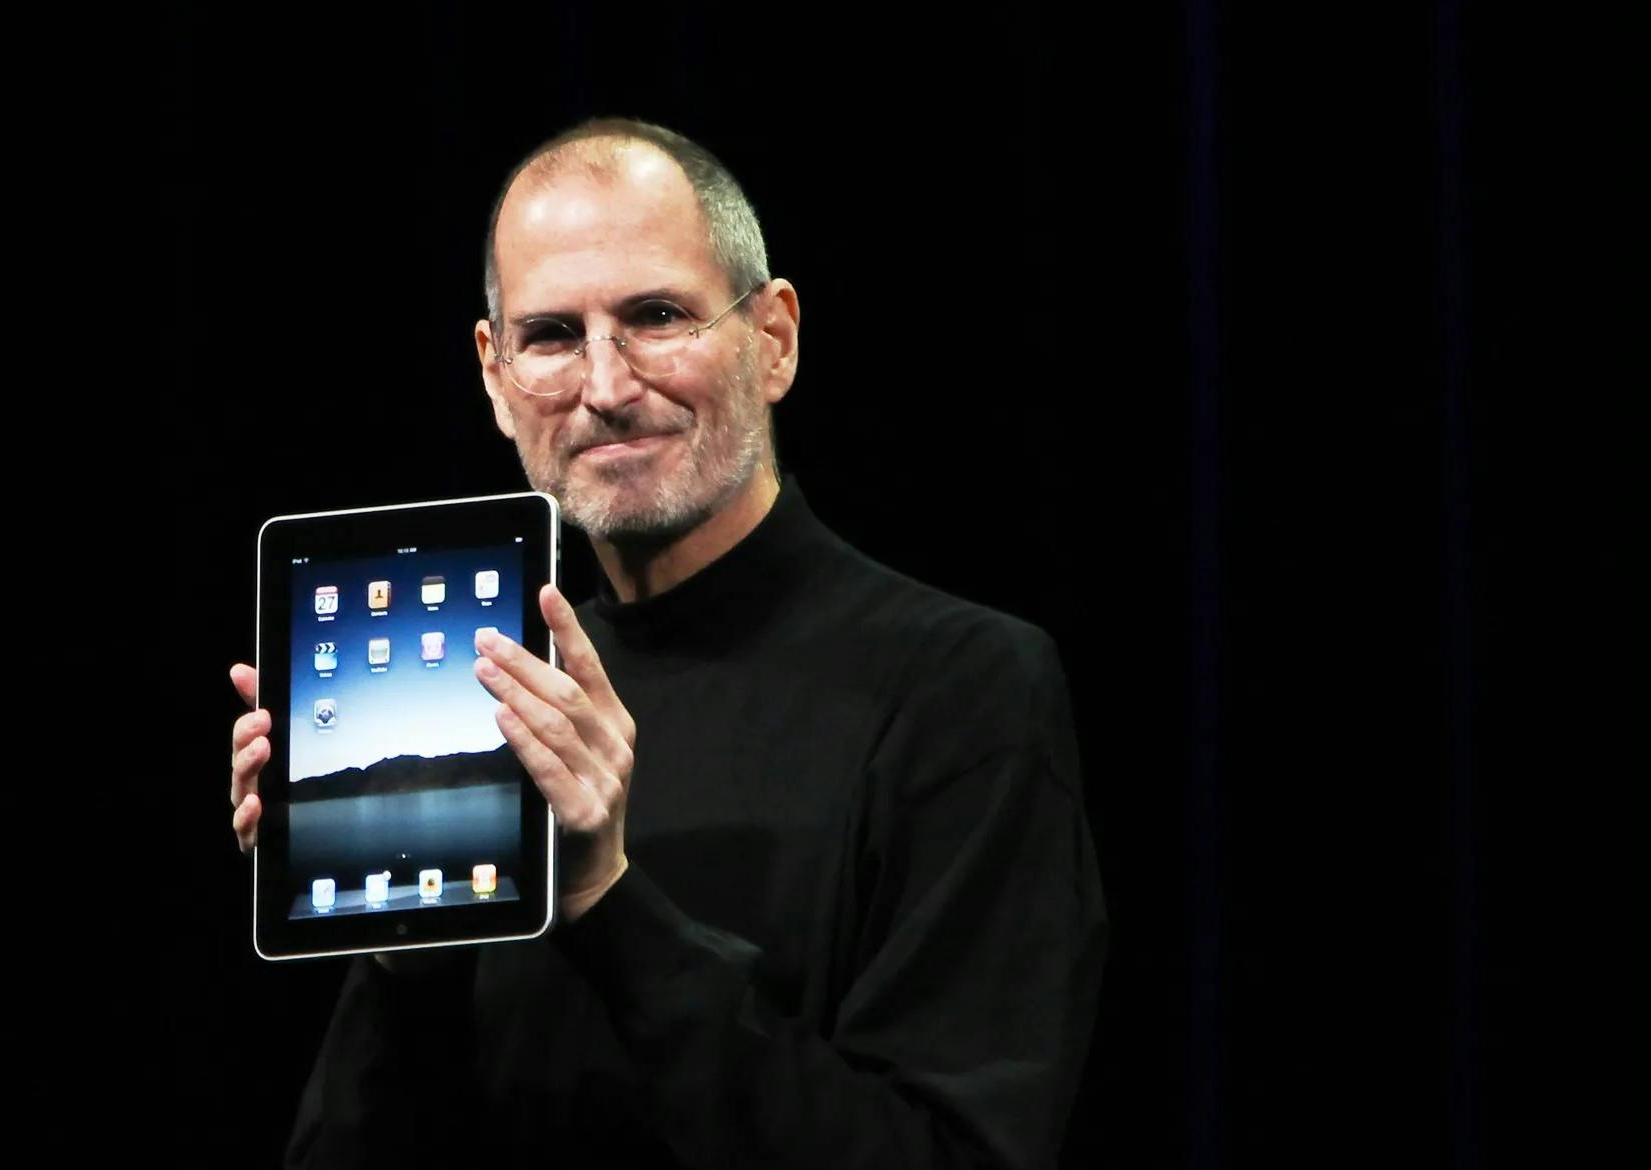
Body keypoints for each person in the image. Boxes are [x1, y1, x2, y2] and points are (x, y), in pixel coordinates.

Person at [227, 117, 1106, 1168]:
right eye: (552, 336)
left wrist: (604, 897)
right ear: (495, 377)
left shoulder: (964, 689)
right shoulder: (505, 698)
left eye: (655, 317)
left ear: (773, 339)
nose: (604, 388)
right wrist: (407, 956)